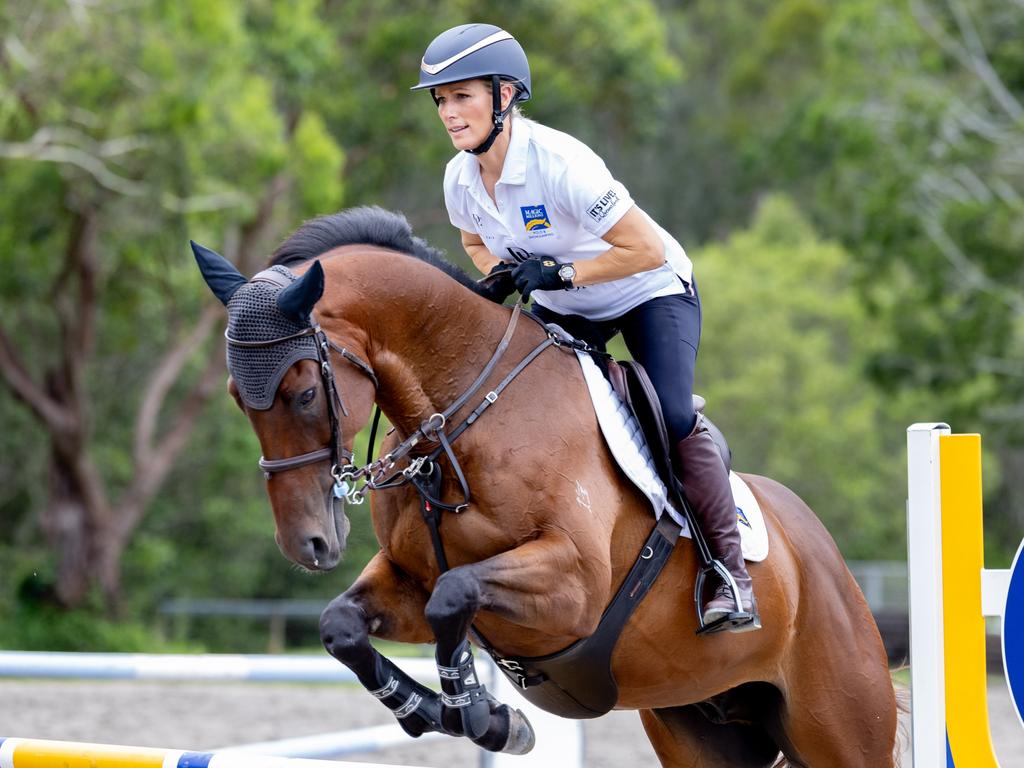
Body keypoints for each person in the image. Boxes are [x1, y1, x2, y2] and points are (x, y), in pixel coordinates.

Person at [411, 23, 759, 633]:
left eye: (462, 95)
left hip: (648, 292)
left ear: (505, 94)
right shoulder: (459, 178)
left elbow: (645, 249)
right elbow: (471, 237)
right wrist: (500, 274)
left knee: (672, 414)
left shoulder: (561, 161)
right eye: (440, 100)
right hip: (570, 306)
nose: (449, 112)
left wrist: (562, 273)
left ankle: (728, 571)